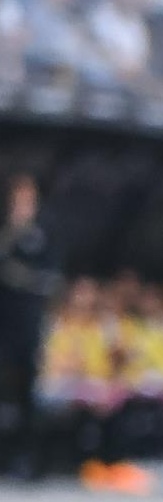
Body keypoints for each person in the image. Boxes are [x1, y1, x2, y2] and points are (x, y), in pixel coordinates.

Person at [0, 174, 58, 479]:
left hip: (28, 328)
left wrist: (18, 276)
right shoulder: (7, 235)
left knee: (26, 396)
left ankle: (26, 460)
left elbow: (48, 278)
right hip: (4, 327)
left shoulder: (42, 237)